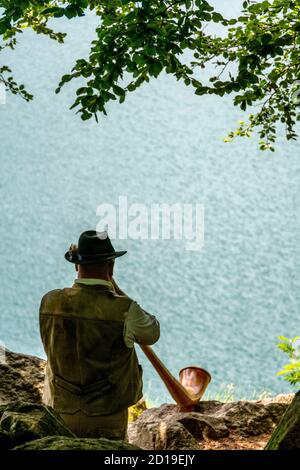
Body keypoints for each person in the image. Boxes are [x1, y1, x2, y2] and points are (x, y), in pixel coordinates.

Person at [39, 230, 160, 440]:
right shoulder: (125, 310)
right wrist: (118, 291)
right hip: (106, 418)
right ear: (111, 266)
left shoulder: (49, 301)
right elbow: (152, 332)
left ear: (77, 265)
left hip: (57, 411)